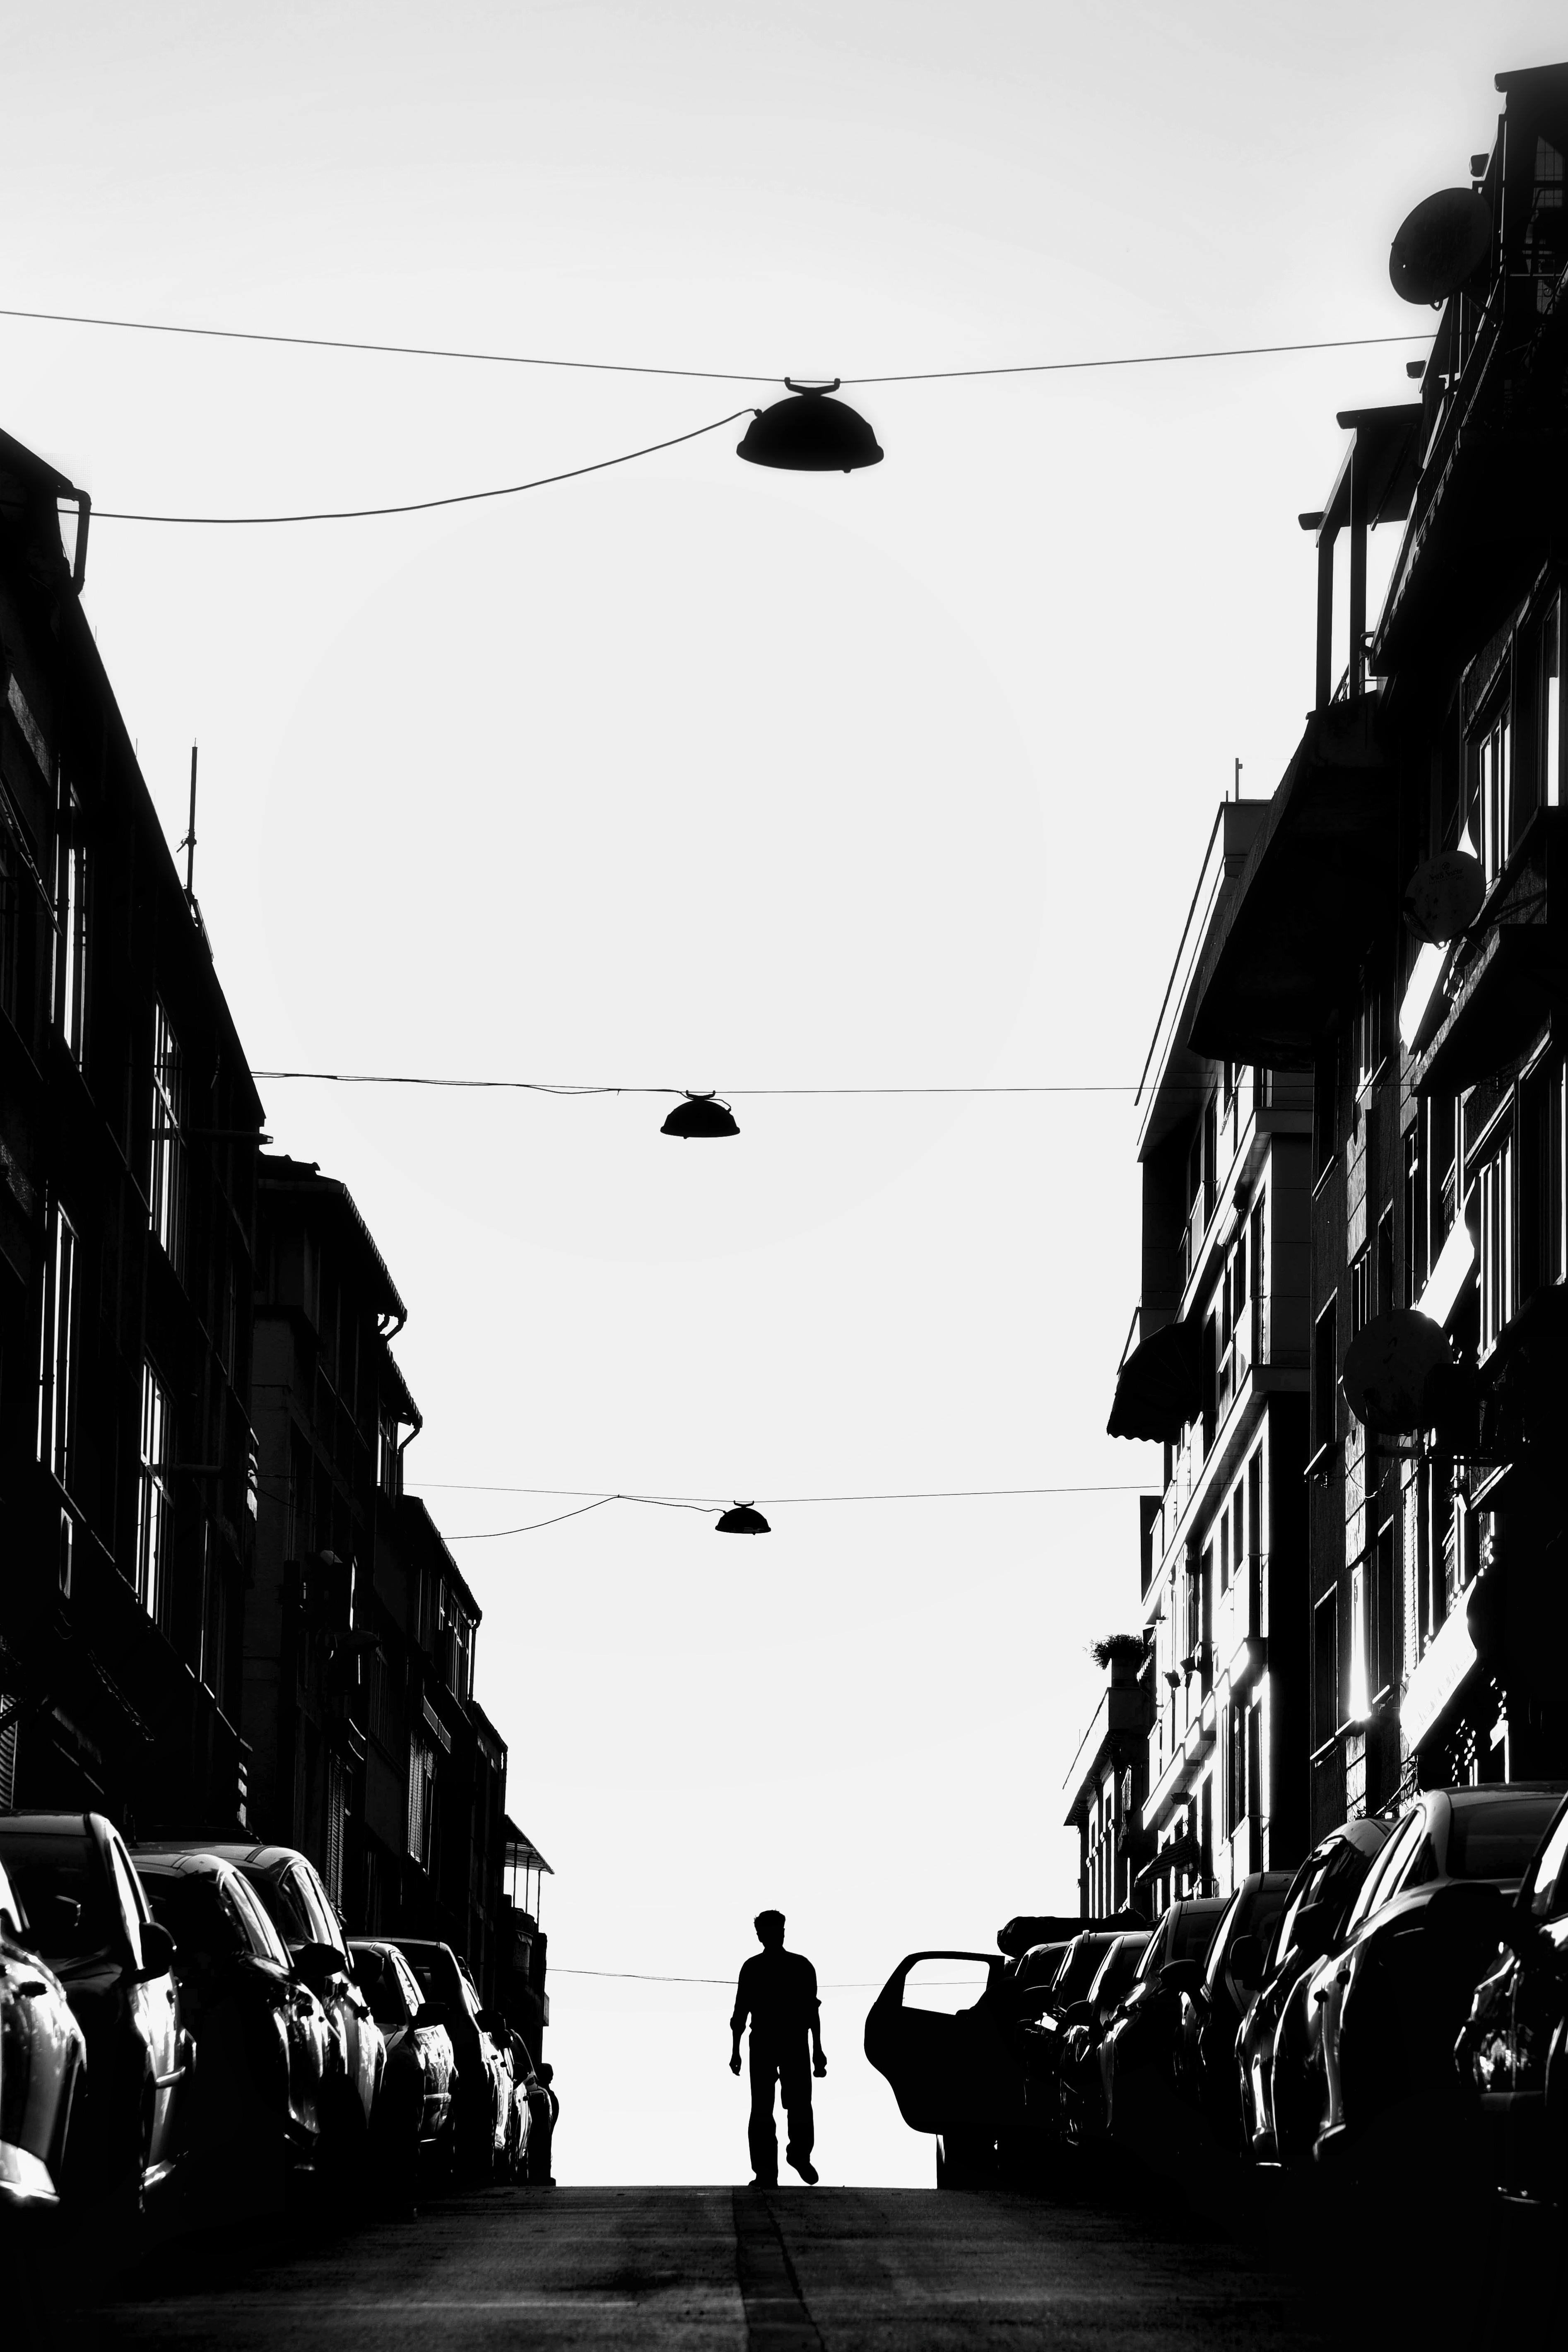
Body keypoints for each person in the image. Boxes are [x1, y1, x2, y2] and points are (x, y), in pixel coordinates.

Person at [729, 1909, 826, 2187]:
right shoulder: (752, 1968)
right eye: (768, 1932)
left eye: (778, 1931)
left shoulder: (801, 1966)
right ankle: (765, 2172)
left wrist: (818, 2051)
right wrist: (735, 2050)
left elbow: (812, 2011)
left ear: (783, 1933)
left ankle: (798, 2154)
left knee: (799, 2104)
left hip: (795, 2041)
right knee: (761, 2108)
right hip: (762, 2043)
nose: (774, 1936)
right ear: (760, 1936)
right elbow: (740, 2013)